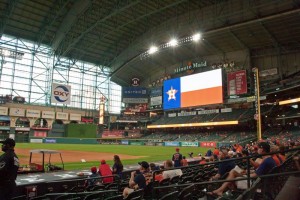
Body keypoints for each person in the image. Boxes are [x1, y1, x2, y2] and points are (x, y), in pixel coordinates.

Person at [208, 142, 276, 197]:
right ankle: (223, 191)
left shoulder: (266, 161)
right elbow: (257, 171)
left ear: (262, 149)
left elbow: (254, 175)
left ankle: (221, 190)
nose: (257, 149)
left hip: (254, 183)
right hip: (261, 182)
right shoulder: (269, 159)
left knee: (233, 173)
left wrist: (240, 175)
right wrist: (246, 172)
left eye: (258, 148)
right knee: (233, 174)